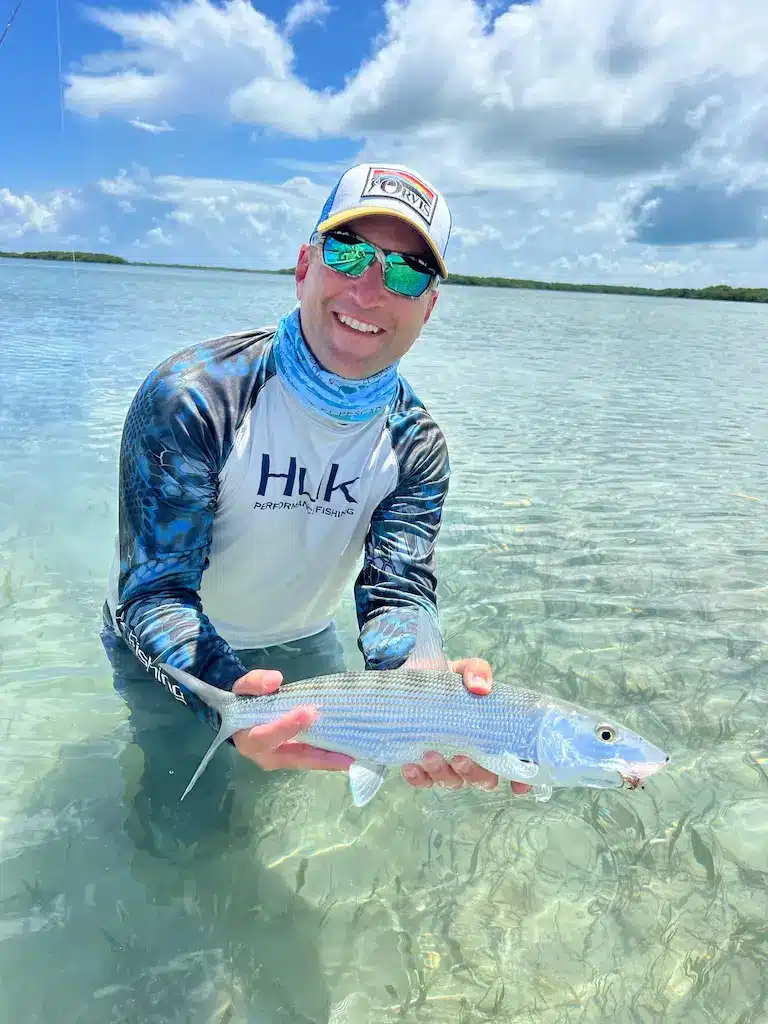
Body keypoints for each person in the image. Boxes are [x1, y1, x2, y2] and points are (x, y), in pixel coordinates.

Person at [101, 161, 530, 801]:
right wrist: (229, 697)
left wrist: (424, 681)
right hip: (169, 651)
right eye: (349, 253)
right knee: (181, 823)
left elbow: (397, 589)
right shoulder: (194, 397)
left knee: (277, 805)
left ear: (430, 307)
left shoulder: (416, 446)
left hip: (306, 642)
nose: (369, 291)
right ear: (305, 265)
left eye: (409, 271)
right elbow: (155, 590)